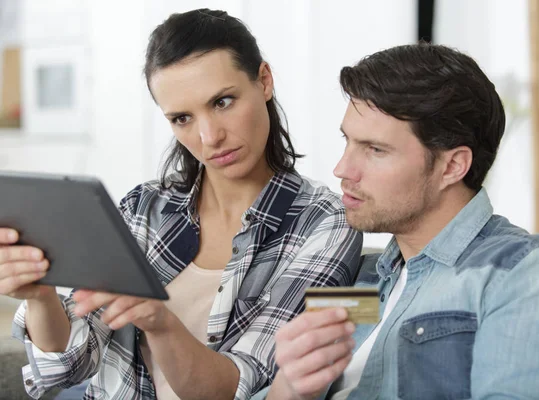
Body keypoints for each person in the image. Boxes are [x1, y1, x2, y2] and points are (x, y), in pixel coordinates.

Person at [0, 9, 363, 400]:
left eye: (223, 102)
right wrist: (41, 296)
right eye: (182, 118)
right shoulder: (144, 208)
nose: (210, 137)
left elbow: (243, 385)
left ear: (264, 81)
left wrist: (158, 321)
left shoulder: (326, 224)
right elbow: (71, 363)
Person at [255, 43, 539, 400]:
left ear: (452, 166)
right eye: (348, 141)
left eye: (375, 149)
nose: (342, 170)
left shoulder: (523, 276)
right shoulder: (357, 280)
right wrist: (288, 391)